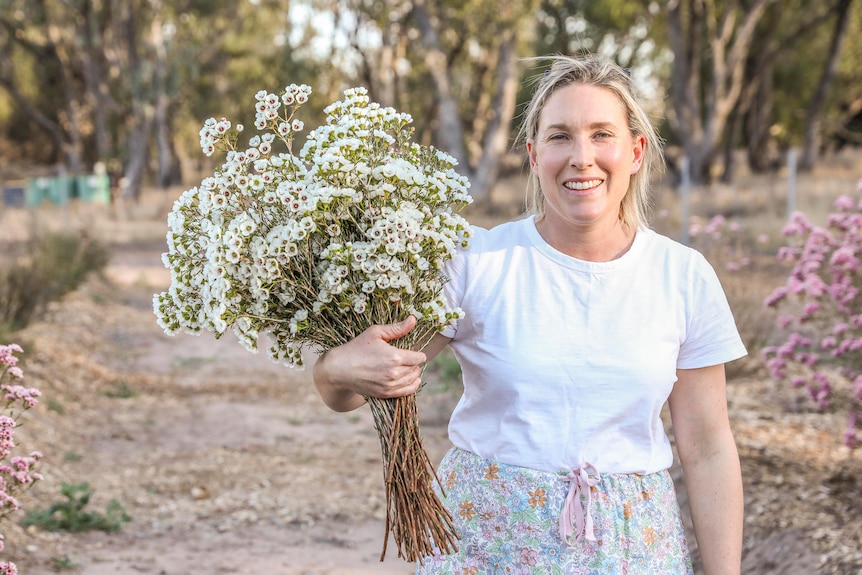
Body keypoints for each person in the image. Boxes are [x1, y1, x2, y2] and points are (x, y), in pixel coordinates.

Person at [312, 55, 746, 574]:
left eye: (601, 135)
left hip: (634, 549)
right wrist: (337, 367)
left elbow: (708, 447)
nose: (581, 157)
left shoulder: (682, 276)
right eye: (560, 136)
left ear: (635, 152)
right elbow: (352, 387)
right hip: (486, 542)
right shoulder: (477, 263)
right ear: (534, 154)